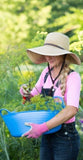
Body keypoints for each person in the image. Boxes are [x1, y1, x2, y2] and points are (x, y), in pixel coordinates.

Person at [20, 32, 81, 160]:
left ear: (63, 55)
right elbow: (32, 98)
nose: (48, 57)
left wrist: (42, 127)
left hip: (65, 138)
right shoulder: (46, 73)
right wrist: (25, 94)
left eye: (53, 53)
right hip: (47, 135)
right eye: (47, 52)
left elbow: (71, 109)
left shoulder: (73, 77)